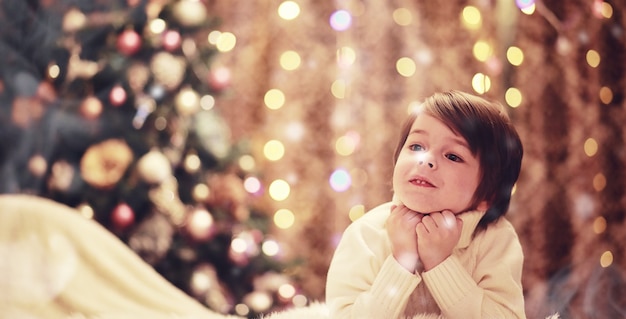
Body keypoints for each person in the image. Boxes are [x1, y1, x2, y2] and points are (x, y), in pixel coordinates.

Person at [325, 90, 526, 318]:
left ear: (486, 197)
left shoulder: (495, 239)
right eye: (416, 147)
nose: (425, 160)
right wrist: (401, 261)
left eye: (452, 156)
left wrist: (440, 263)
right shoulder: (365, 233)